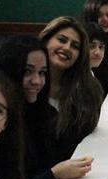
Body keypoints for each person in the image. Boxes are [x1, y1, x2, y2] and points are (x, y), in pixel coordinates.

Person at [0, 36, 93, 179]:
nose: (37, 81)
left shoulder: (44, 113)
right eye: (28, 72)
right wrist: (53, 175)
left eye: (42, 73)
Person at [39, 16, 103, 162]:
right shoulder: (28, 86)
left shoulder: (88, 90)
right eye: (61, 40)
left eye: (75, 46)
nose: (67, 47)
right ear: (45, 41)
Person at [83, 22, 108, 95]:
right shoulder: (76, 80)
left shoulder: (90, 74)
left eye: (101, 47)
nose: (97, 52)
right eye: (91, 46)